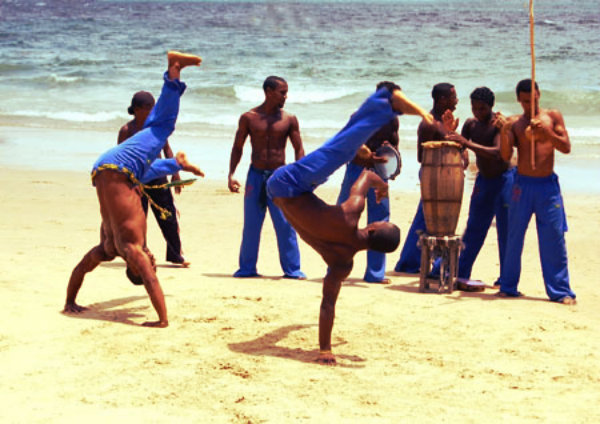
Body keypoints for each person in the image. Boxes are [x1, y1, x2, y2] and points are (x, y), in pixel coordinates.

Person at [267, 84, 433, 364]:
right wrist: (326, 350)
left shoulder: (350, 214)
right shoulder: (343, 263)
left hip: (288, 182)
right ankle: (384, 104)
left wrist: (380, 184)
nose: (378, 220)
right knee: (345, 147)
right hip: (278, 196)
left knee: (340, 150)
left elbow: (366, 177)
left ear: (373, 228)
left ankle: (386, 99)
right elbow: (327, 304)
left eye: (380, 222)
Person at [63, 51, 204, 327]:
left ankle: (174, 70)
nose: (152, 261)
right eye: (152, 262)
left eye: (148, 263)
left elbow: (150, 281)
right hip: (110, 172)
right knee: (151, 140)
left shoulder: (129, 249)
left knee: (163, 126)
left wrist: (162, 320)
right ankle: (175, 162)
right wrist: (68, 301)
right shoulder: (106, 248)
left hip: (117, 167)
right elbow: (81, 268)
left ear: (135, 267)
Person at [496, 79, 576, 304]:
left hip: (547, 187)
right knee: (514, 237)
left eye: (532, 100)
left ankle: (560, 291)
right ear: (518, 100)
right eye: (524, 101)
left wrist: (547, 133)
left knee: (553, 237)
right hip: (522, 186)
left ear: (539, 94)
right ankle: (508, 286)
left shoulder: (553, 117)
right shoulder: (515, 123)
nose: (529, 105)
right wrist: (504, 131)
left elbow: (566, 147)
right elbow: (504, 155)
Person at [228, 76, 306, 279]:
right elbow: (238, 147)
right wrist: (231, 174)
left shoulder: (289, 119)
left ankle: (293, 269)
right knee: (252, 224)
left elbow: (299, 149)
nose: (285, 96)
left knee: (285, 224)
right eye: (282, 92)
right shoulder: (249, 117)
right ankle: (247, 268)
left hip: (280, 177)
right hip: (255, 175)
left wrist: (300, 176)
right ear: (269, 91)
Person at [441, 87, 515, 284]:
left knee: (505, 230)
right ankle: (460, 272)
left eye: (482, 109)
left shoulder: (497, 125)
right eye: (474, 108)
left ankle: (506, 278)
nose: (477, 113)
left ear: (491, 107)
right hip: (483, 180)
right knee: (474, 227)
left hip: (504, 181)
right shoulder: (471, 124)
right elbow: (460, 146)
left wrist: (468, 143)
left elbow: (498, 152)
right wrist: (450, 132)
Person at [394, 82, 467, 273]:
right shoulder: (429, 123)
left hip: (446, 175)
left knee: (436, 219)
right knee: (427, 219)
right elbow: (421, 155)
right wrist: (448, 136)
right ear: (442, 100)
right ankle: (409, 262)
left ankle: (420, 263)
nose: (456, 101)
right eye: (453, 97)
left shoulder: (443, 121)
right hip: (433, 175)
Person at [336, 81, 400, 284]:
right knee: (344, 216)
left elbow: (394, 144)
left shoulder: (392, 120)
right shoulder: (360, 115)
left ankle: (375, 273)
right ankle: (337, 265)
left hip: (379, 171)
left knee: (380, 218)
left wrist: (393, 166)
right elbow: (348, 141)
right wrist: (366, 153)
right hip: (357, 168)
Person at [118, 91, 189, 267]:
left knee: (168, 216)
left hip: (158, 176)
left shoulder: (155, 128)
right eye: (148, 108)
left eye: (153, 107)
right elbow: (120, 156)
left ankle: (175, 255)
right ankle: (141, 252)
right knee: (138, 218)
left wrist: (175, 171)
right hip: (137, 180)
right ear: (136, 109)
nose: (152, 111)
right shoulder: (127, 130)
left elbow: (167, 148)